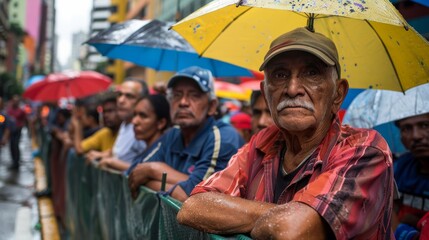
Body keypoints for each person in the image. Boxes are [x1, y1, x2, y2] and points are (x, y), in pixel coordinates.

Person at [177, 28, 394, 239]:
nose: (292, 89)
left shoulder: (365, 149)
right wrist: (278, 216)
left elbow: (292, 231)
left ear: (338, 94)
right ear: (265, 92)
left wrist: (248, 216)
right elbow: (193, 207)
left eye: (311, 73)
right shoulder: (263, 142)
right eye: (280, 75)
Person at [128, 66, 245, 202]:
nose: (183, 102)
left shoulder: (222, 137)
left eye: (194, 95)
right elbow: (134, 172)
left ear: (212, 106)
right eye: (177, 95)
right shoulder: (173, 134)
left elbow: (195, 197)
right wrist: (177, 187)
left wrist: (153, 170)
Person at [87, 79, 148, 168]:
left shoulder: (144, 128)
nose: (121, 100)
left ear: (143, 101)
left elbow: (146, 171)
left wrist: (112, 163)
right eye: (120, 95)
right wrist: (105, 154)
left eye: (129, 96)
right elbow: (121, 152)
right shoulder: (124, 123)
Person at [392, 113, 429, 238]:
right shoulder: (399, 166)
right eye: (406, 128)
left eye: (425, 125)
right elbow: (390, 210)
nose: (416, 136)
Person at [119, 94, 171, 174]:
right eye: (135, 115)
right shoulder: (146, 153)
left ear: (161, 123)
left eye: (143, 116)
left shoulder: (161, 155)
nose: (134, 122)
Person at [6, 95, 27, 169]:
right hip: (11, 130)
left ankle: (16, 162)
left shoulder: (21, 111)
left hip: (18, 130)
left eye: (16, 101)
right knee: (11, 145)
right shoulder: (9, 110)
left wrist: (21, 125)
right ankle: (13, 161)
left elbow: (24, 119)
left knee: (16, 145)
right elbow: (6, 119)